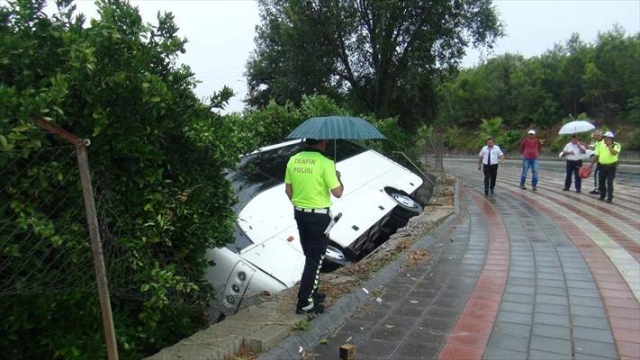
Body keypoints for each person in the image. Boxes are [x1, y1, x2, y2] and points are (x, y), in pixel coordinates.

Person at [284, 138, 344, 315]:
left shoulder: (293, 160)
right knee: (315, 258)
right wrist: (338, 178)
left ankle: (312, 293)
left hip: (300, 214)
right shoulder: (326, 163)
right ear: (322, 142)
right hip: (319, 217)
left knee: (310, 254)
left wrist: (300, 204)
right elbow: (338, 193)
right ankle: (304, 303)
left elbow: (288, 190)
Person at [590, 131, 621, 203]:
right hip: (602, 166)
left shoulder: (616, 145)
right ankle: (602, 195)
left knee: (609, 182)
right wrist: (591, 164)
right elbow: (597, 155)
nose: (605, 139)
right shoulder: (600, 144)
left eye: (607, 138)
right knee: (601, 182)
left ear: (611, 139)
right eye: (605, 138)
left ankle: (609, 197)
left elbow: (614, 153)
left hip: (611, 166)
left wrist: (609, 146)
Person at [587, 130, 604, 195]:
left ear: (599, 135)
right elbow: (595, 148)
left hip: (602, 162)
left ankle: (598, 189)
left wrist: (591, 163)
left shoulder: (603, 142)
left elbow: (597, 154)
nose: (593, 137)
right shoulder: (597, 142)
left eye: (594, 135)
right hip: (600, 161)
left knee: (597, 175)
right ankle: (600, 189)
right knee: (599, 175)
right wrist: (586, 145)